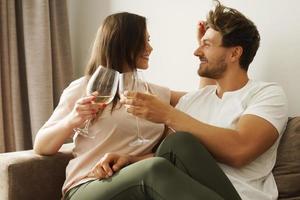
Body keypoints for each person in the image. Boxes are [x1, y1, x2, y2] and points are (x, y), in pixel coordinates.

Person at [121, 1, 288, 200]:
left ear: (235, 53)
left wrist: (168, 114)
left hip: (238, 196)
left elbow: (240, 150)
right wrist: (129, 160)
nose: (197, 52)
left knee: (179, 142)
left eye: (206, 45)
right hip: (181, 192)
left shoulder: (267, 94)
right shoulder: (193, 100)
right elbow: (165, 157)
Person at [34, 12, 184, 199]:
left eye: (149, 40)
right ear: (123, 42)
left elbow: (204, 99)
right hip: (88, 184)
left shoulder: (153, 93)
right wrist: (73, 119)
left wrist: (206, 54)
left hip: (136, 185)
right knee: (154, 169)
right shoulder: (83, 88)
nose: (150, 48)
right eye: (143, 41)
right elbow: (41, 146)